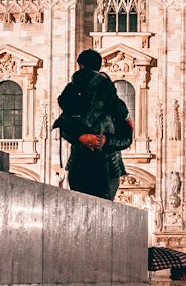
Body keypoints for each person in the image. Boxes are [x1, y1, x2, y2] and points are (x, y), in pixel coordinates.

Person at [56, 48, 130, 199]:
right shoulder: (112, 100)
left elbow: (64, 126)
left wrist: (82, 137)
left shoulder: (74, 93)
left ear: (81, 66)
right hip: (98, 164)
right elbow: (127, 135)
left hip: (88, 163)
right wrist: (103, 140)